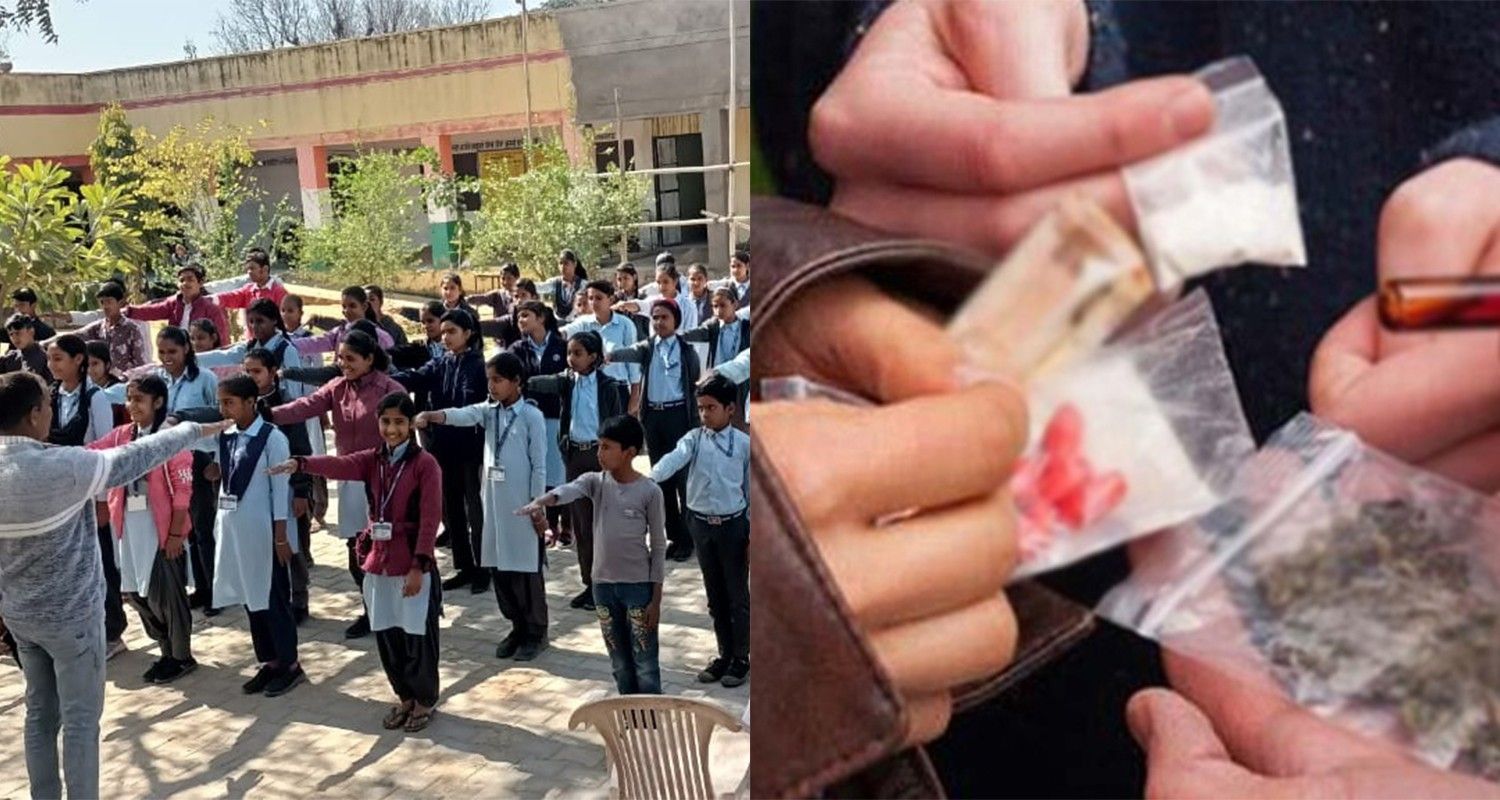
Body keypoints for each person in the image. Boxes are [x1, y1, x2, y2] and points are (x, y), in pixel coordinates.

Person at [0, 371, 229, 800]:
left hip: (22, 620)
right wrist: (191, 430)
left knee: (38, 716)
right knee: (81, 722)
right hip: (73, 622)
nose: (51, 413)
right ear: (34, 416)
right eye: (47, 406)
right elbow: (137, 455)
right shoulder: (61, 467)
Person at [271, 392, 444, 732]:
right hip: (378, 563)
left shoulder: (425, 465)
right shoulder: (374, 459)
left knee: (417, 636)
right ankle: (404, 696)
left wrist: (418, 567)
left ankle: (424, 699)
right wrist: (301, 463)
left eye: (398, 422)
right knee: (388, 635)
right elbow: (342, 465)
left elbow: (429, 519)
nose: (391, 429)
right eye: (385, 422)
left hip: (410, 562)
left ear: (410, 425)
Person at [270, 330, 406, 639]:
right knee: (357, 545)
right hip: (350, 477)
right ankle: (371, 608)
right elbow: (303, 407)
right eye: (340, 358)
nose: (343, 364)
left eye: (351, 359)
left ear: (370, 359)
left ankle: (396, 608)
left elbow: (403, 433)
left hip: (385, 479)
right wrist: (262, 414)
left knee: (387, 544)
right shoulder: (337, 388)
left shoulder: (390, 389)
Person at [518, 414, 665, 695]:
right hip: (603, 588)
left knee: (644, 659)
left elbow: (658, 547)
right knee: (619, 660)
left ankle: (650, 717)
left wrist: (655, 599)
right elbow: (567, 491)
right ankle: (629, 712)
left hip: (638, 588)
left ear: (630, 453)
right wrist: (540, 501)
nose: (599, 453)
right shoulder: (594, 482)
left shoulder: (650, 492)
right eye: (599, 445)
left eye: (607, 447)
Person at [418, 352, 550, 660]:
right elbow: (464, 415)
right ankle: (516, 625)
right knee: (500, 567)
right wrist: (434, 415)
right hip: (493, 504)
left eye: (498, 380)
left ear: (516, 382)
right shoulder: (490, 411)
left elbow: (539, 465)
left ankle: (536, 631)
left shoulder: (531, 416)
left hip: (522, 505)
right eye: (489, 380)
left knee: (525, 571)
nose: (491, 386)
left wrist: (537, 505)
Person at [88, 375, 197, 684]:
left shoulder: (170, 438)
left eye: (138, 399)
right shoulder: (124, 435)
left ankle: (181, 656)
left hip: (160, 528)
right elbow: (94, 451)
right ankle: (165, 649)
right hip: (128, 527)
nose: (131, 405)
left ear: (157, 402)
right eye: (128, 399)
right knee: (136, 592)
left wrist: (176, 535)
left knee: (168, 595)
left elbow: (183, 493)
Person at [649, 375, 750, 688]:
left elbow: (753, 489)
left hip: (733, 527)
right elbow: (672, 460)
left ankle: (741, 657)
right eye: (701, 408)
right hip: (702, 526)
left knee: (737, 596)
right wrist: (646, 480)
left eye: (711, 408)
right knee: (715, 596)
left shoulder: (745, 445)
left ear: (731, 409)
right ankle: (723, 654)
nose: (705, 414)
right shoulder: (693, 439)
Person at [213, 373, 303, 697]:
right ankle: (269, 661)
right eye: (221, 402)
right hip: (237, 531)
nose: (223, 409)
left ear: (251, 402)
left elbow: (280, 491)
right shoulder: (228, 434)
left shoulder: (271, 437)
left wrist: (281, 537)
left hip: (265, 533)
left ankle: (290, 664)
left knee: (273, 597)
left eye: (229, 403)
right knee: (253, 599)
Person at [524, 331, 627, 610]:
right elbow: (541, 383)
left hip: (601, 457)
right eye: (569, 353)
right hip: (575, 456)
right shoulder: (567, 382)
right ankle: (590, 584)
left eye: (578, 353)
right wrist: (520, 379)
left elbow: (617, 424)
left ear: (593, 356)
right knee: (582, 524)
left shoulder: (608, 385)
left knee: (602, 523)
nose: (572, 358)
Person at [390, 309, 490, 595]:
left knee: (475, 509)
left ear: (468, 334)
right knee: (452, 507)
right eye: (443, 332)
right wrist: (384, 377)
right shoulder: (441, 362)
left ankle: (485, 567)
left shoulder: (478, 365)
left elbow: (473, 407)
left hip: (470, 447)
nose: (445, 337)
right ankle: (465, 566)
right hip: (442, 447)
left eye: (452, 332)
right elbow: (413, 377)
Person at [46, 334, 128, 657]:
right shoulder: (51, 396)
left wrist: (101, 500)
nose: (52, 366)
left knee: (102, 561)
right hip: (61, 493)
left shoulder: (96, 399)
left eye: (58, 359)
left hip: (91, 490)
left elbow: (107, 450)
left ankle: (113, 631)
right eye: (50, 360)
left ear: (78, 360)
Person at [607, 299, 701, 563]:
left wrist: (694, 424)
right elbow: (629, 352)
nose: (659, 322)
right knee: (662, 481)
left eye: (664, 318)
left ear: (676, 321)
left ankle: (688, 539)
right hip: (654, 419)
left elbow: (693, 387)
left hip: (678, 417)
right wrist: (610, 355)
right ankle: (674, 536)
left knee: (683, 479)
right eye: (655, 318)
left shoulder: (686, 351)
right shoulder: (648, 347)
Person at [242, 347, 316, 624]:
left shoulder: (287, 405)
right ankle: (272, 596)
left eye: (257, 371)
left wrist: (301, 490)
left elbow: (300, 450)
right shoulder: (242, 404)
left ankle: (299, 598)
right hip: (256, 490)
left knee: (292, 545)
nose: (251, 376)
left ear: (273, 372)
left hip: (286, 488)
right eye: (247, 371)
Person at [506, 300, 570, 545]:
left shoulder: (562, 346)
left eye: (525, 315)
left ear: (541, 318)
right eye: (518, 316)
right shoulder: (516, 349)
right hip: (526, 418)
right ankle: (544, 525)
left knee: (557, 473)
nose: (520, 320)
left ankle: (564, 524)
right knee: (536, 471)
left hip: (555, 417)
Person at [560, 280, 642, 411]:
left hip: (617, 389)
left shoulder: (625, 325)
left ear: (610, 299)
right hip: (589, 389)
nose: (594, 302)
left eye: (599, 298)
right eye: (591, 298)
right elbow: (568, 330)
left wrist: (634, 396)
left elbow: (633, 363)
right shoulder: (583, 323)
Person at [680, 287, 751, 427]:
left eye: (723, 305)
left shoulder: (746, 328)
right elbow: (696, 333)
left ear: (735, 305)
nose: (718, 310)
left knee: (739, 424)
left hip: (740, 385)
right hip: (717, 384)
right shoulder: (713, 327)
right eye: (715, 306)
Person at [122, 263, 231, 346]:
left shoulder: (211, 308)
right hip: (178, 356)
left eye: (190, 279)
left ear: (200, 283)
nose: (185, 283)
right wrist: (128, 311)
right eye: (181, 280)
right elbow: (151, 311)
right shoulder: (174, 303)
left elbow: (222, 338)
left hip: (204, 357)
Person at [63, 281, 148, 375]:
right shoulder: (98, 328)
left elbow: (140, 364)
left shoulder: (132, 329)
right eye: (102, 302)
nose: (105, 306)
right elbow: (74, 336)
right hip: (101, 381)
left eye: (109, 302)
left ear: (120, 303)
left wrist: (125, 378)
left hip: (123, 384)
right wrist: (46, 343)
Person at [292, 285, 396, 357]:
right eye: (344, 306)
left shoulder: (382, 338)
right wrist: (287, 345)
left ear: (364, 306)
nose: (346, 311)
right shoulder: (340, 332)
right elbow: (316, 343)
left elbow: (390, 369)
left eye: (352, 306)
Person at [208, 248, 288, 340]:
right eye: (248, 268)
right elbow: (231, 297)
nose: (249, 272)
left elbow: (284, 320)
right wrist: (211, 299)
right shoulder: (248, 290)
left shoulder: (279, 292)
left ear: (264, 269)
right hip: (251, 342)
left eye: (252, 268)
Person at [538, 249, 589, 320]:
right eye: (560, 263)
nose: (563, 266)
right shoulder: (555, 282)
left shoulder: (583, 285)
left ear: (574, 264)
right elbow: (540, 287)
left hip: (576, 323)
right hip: (558, 323)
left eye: (566, 263)